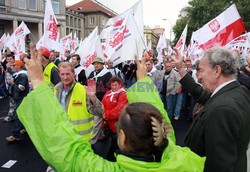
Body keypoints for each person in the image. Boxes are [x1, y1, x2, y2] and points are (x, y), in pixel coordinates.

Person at [17, 43, 205, 171]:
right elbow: (154, 113)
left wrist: (36, 79)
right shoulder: (187, 161)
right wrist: (142, 80)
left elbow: (67, 152)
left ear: (121, 138)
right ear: (161, 131)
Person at [172, 47, 250, 171]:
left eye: (201, 70)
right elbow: (200, 94)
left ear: (217, 71)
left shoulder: (223, 110)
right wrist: (181, 69)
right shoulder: (236, 91)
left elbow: (220, 166)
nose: (198, 77)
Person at [54, 62, 103, 141]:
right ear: (59, 75)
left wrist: (92, 97)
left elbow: (99, 112)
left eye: (68, 74)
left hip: (81, 140)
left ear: (74, 74)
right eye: (62, 74)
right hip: (63, 137)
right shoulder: (56, 90)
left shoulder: (83, 90)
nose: (65, 77)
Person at [93, 76, 128, 161]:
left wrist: (106, 115)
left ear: (120, 85)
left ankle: (115, 158)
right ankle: (112, 157)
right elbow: (102, 104)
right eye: (112, 85)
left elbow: (120, 109)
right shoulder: (108, 92)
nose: (114, 87)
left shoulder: (123, 94)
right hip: (108, 123)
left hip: (117, 124)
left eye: (116, 85)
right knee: (112, 141)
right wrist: (102, 113)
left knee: (118, 143)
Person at [6, 60, 29, 142]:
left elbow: (20, 88)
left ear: (18, 66)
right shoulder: (19, 74)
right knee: (24, 114)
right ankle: (25, 128)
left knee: (18, 115)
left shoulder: (22, 76)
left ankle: (15, 134)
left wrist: (12, 84)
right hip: (19, 98)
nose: (13, 67)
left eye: (14, 65)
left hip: (21, 98)